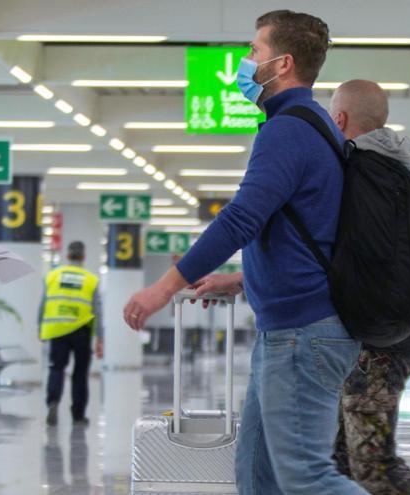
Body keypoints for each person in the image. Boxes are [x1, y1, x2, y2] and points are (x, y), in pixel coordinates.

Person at [124, 10, 369, 495]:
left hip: (304, 334)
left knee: (304, 478)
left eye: (254, 50)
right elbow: (309, 234)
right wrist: (238, 281)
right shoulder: (311, 126)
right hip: (287, 331)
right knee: (257, 475)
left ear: (283, 63)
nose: (246, 60)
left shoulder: (289, 130)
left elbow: (240, 219)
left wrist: (163, 287)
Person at [328, 80, 410, 495]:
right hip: (397, 338)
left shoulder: (354, 177)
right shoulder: (409, 178)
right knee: (341, 462)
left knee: (372, 466)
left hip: (375, 345)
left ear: (340, 119)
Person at [39, 241, 104, 427]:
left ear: (68, 255)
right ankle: (78, 415)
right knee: (80, 373)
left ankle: (53, 402)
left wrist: (39, 327)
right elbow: (97, 310)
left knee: (56, 368)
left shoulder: (53, 276)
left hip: (57, 329)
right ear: (83, 256)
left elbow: (43, 303)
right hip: (81, 330)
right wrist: (100, 338)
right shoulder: (90, 279)